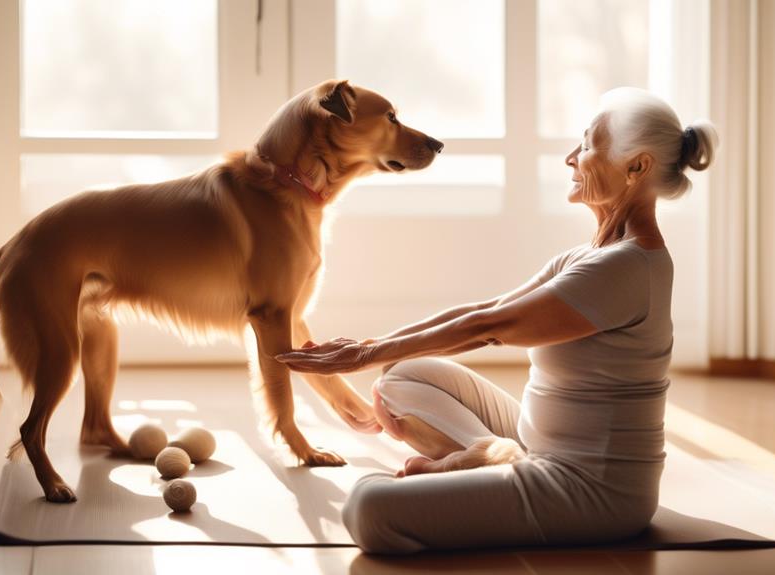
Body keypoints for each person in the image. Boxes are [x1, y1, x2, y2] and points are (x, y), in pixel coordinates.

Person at [277, 87, 717, 554]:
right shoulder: (591, 256)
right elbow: (480, 311)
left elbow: (488, 328)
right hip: (535, 443)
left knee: (366, 507)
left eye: (587, 146)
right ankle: (493, 459)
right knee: (403, 376)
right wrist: (374, 346)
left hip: (589, 491)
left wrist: (364, 354)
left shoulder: (624, 268)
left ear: (637, 168)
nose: (571, 158)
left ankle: (476, 465)